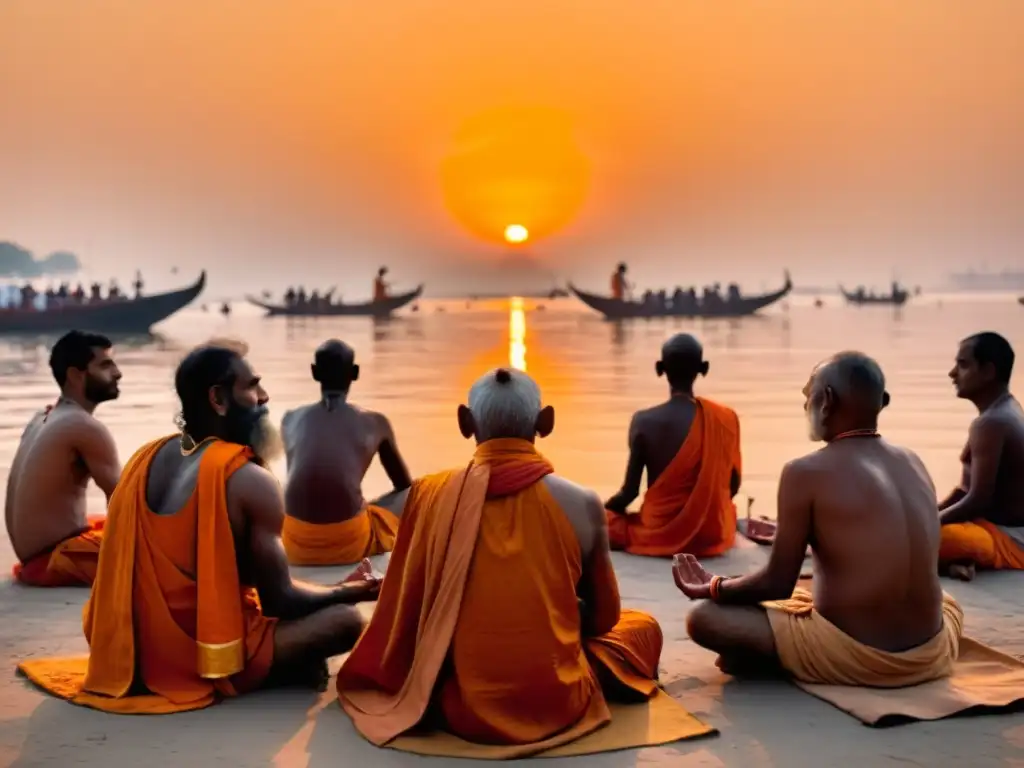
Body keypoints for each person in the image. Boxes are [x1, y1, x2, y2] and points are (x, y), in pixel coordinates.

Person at [19, 341, 377, 713]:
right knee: (346, 622)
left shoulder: (145, 458)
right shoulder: (249, 480)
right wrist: (347, 592)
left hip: (134, 652)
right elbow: (280, 599)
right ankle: (276, 670)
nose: (264, 397)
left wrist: (332, 588)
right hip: (206, 656)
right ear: (218, 399)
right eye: (252, 386)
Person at [337, 368, 662, 752]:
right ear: (546, 422)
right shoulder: (583, 502)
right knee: (642, 628)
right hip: (557, 704)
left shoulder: (427, 494)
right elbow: (605, 619)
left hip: (458, 706)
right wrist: (554, 611)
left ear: (464, 421)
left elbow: (408, 616)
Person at [675, 352, 962, 686]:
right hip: (932, 650)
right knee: (945, 600)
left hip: (862, 657)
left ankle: (780, 658)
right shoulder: (912, 460)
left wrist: (713, 586)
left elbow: (777, 583)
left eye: (807, 395)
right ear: (880, 402)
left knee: (704, 618)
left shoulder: (803, 471)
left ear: (826, 401)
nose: (804, 406)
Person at [605, 334, 741, 557]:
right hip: (711, 533)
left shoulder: (643, 421)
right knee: (729, 512)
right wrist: (700, 513)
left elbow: (629, 493)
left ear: (660, 368)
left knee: (601, 521)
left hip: (659, 532)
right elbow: (732, 487)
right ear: (703, 368)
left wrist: (605, 510)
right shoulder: (725, 418)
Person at [280, 339, 411, 565]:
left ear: (314, 373)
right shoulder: (376, 422)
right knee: (414, 493)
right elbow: (403, 484)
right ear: (355, 373)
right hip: (347, 544)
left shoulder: (289, 419)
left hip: (293, 543)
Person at [6, 331, 122, 586]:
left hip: (34, 557)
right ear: (75, 375)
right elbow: (124, 502)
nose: (117, 373)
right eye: (105, 365)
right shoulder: (84, 426)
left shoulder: (43, 417)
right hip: (55, 559)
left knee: (101, 523)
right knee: (167, 548)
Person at [938, 333, 1024, 581]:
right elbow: (964, 492)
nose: (952, 374)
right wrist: (928, 515)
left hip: (1008, 540)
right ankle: (957, 561)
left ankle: (960, 558)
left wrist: (927, 526)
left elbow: (978, 500)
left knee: (917, 539)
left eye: (963, 365)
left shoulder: (992, 422)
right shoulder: (1000, 411)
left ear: (988, 371)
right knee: (909, 524)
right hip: (988, 529)